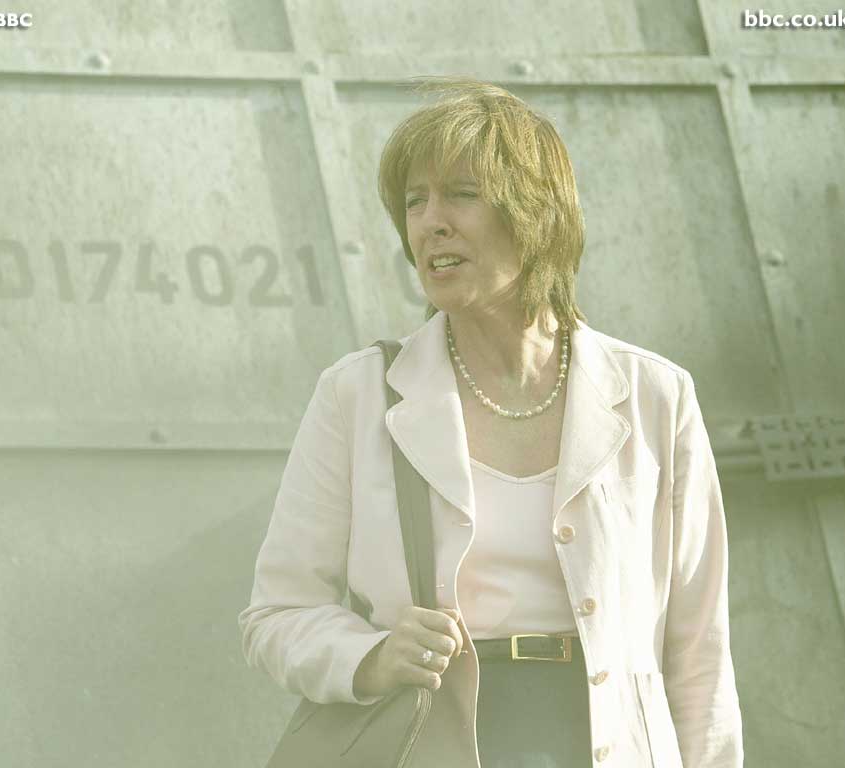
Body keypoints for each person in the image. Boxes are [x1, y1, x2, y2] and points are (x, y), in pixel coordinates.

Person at [239, 76, 743, 768]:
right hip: (429, 745)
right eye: (414, 202)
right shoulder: (356, 394)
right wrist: (372, 657)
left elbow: (699, 651)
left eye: (461, 194)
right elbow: (278, 613)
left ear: (536, 214)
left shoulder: (656, 395)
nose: (430, 222)